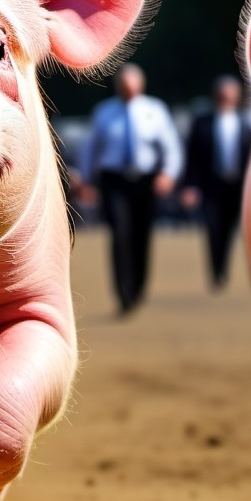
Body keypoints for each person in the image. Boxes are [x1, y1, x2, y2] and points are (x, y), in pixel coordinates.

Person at [80, 63, 184, 315]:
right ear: (118, 87)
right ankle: (123, 293)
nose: (128, 89)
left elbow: (171, 146)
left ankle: (138, 288)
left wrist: (168, 174)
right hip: (114, 180)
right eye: (124, 85)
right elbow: (89, 149)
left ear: (140, 85)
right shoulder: (104, 113)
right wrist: (86, 180)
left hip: (146, 181)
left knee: (141, 236)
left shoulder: (155, 111)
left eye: (132, 84)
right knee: (119, 234)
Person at [179, 74, 251, 290]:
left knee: (230, 229)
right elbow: (192, 158)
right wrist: (189, 186)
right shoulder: (202, 122)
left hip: (237, 187)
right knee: (213, 229)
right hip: (211, 186)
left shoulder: (246, 123)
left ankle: (224, 268)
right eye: (222, 94)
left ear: (237, 96)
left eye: (229, 94)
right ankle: (216, 272)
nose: (225, 97)